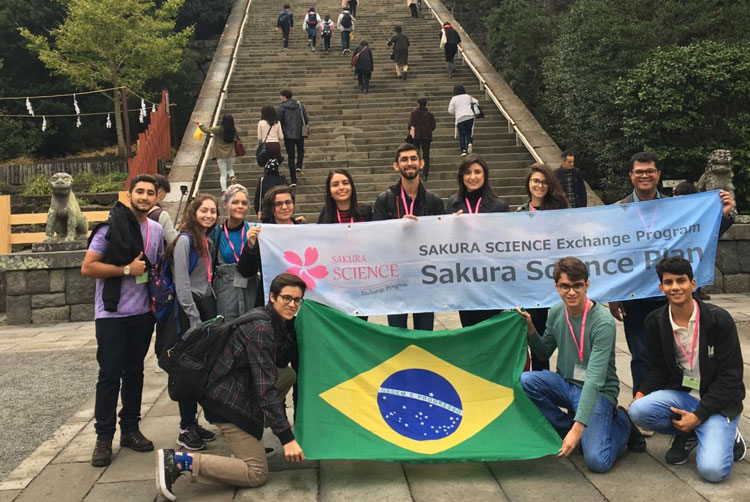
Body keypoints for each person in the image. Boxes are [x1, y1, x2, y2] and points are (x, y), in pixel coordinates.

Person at [156, 273, 307, 501]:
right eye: (287, 298)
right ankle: (178, 462)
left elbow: (277, 369)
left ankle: (247, 436)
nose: (292, 305)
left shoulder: (272, 320)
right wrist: (287, 438)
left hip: (235, 389)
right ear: (273, 297)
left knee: (287, 375)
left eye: (297, 300)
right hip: (225, 401)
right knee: (256, 473)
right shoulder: (261, 329)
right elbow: (265, 389)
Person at [608, 152, 737, 400]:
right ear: (631, 176)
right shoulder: (618, 211)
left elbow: (701, 238)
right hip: (636, 297)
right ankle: (643, 404)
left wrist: (724, 215)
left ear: (658, 174)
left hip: (674, 295)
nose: (644, 175)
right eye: (639, 172)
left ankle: (682, 403)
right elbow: (612, 256)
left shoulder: (678, 208)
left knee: (681, 353)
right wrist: (615, 295)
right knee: (642, 355)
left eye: (649, 171)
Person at [517, 257, 646, 473]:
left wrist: (578, 429)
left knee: (597, 461)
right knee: (525, 381)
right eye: (565, 286)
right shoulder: (557, 311)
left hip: (598, 392)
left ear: (587, 284)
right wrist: (530, 328)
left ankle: (622, 422)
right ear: (556, 286)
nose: (571, 292)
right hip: (566, 385)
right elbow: (543, 351)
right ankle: (570, 428)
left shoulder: (602, 322)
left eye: (577, 286)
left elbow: (595, 379)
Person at [629, 257, 746, 482]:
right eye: (669, 282)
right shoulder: (655, 321)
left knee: (712, 472)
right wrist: (642, 392)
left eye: (681, 281)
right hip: (683, 394)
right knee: (638, 411)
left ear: (693, 284)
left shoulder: (718, 320)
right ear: (661, 287)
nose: (675, 287)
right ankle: (689, 431)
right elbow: (659, 369)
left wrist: (699, 416)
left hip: (718, 403)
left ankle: (729, 435)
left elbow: (731, 379)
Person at [82, 174, 164, 467]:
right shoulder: (109, 228)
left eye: (150, 193)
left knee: (134, 373)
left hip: (142, 313)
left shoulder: (155, 229)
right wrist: (126, 270)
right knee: (108, 376)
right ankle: (103, 437)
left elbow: (156, 266)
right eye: (139, 192)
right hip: (112, 314)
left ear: (157, 197)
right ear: (129, 195)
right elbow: (88, 267)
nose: (144, 197)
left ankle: (130, 428)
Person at [159, 195, 220, 452]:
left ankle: (193, 423)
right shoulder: (184, 241)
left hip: (205, 306)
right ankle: (185, 427)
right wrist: (194, 320)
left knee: (201, 368)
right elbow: (182, 284)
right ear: (194, 212)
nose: (208, 215)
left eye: (213, 211)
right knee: (187, 369)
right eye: (204, 210)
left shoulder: (206, 241)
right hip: (188, 313)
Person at [373, 144, 445, 330]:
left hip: (424, 280)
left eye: (413, 158)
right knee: (397, 337)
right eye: (404, 159)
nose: (409, 163)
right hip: (395, 281)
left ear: (421, 163)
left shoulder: (433, 201)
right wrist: (398, 228)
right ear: (396, 166)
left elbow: (443, 238)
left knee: (424, 336)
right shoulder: (384, 200)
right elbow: (376, 238)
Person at [516, 163, 569, 370]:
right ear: (528, 183)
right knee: (531, 337)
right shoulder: (519, 213)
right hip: (530, 286)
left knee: (554, 339)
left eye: (544, 182)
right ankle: (533, 383)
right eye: (535, 181)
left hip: (555, 286)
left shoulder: (561, 212)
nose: (539, 185)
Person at [447, 154, 509, 327]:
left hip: (491, 282)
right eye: (467, 173)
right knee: (470, 333)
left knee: (492, 333)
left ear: (485, 175)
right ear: (461, 177)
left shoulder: (499, 207)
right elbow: (446, 244)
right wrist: (450, 225)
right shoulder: (453, 204)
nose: (472, 177)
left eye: (477, 172)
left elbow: (505, 248)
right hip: (465, 283)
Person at [238, 186, 306, 309]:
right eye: (278, 204)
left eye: (288, 202)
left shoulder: (305, 232)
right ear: (271, 208)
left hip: (301, 300)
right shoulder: (263, 234)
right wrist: (251, 246)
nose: (284, 207)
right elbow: (246, 271)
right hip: (271, 302)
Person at [212, 185, 262, 322]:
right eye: (235, 202)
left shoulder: (254, 231)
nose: (240, 206)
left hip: (251, 288)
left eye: (244, 203)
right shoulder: (216, 233)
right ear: (225, 205)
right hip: (225, 292)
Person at [193, 115, 239, 193]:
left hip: (220, 155)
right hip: (231, 154)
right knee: (229, 169)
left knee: (223, 174)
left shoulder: (218, 129)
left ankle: (224, 190)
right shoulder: (233, 130)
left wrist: (199, 124)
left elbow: (207, 130)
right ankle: (232, 177)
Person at [278, 89, 309, 186]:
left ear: (284, 97)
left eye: (281, 96)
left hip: (288, 135)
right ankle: (299, 165)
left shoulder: (282, 108)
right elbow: (306, 119)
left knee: (291, 157)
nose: (280, 98)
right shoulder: (300, 106)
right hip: (300, 133)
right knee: (300, 151)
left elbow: (279, 121)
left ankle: (293, 180)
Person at [407, 98, 436, 180]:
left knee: (416, 153)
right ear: (426, 104)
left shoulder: (414, 113)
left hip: (416, 136)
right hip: (427, 136)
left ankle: (416, 170)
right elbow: (433, 126)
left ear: (418, 104)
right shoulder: (429, 115)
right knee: (426, 154)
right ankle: (425, 173)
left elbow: (410, 125)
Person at [147, 173, 179, 245]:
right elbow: (173, 240)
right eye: (165, 193)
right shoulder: (161, 214)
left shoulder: (137, 211)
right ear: (160, 192)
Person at [448, 85, 479, 156]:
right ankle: (469, 143)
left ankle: (463, 150)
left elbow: (450, 110)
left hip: (460, 118)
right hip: (470, 116)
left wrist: (455, 111)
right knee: (469, 132)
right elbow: (476, 102)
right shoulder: (468, 96)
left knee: (462, 134)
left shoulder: (454, 98)